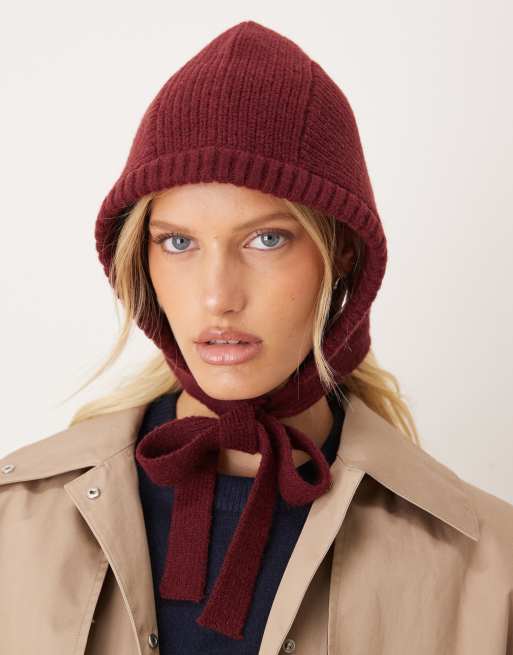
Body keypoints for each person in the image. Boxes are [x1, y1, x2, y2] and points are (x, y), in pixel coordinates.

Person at [1, 19, 513, 655]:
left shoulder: (490, 566)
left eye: (267, 239)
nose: (219, 296)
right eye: (178, 242)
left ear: (344, 252)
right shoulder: (15, 521)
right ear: (139, 259)